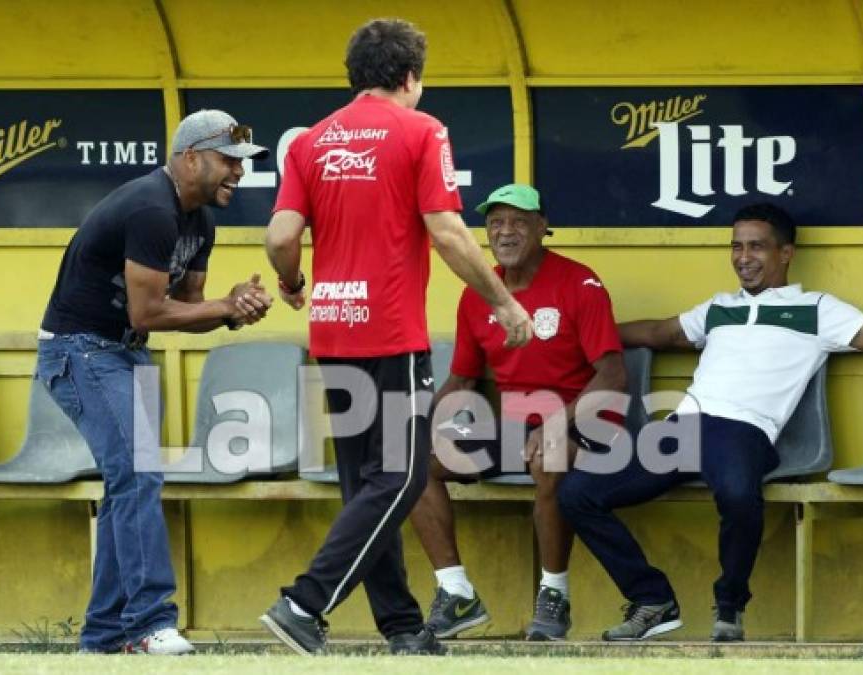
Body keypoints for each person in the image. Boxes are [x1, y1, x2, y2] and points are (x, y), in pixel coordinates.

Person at [557, 202, 863, 643]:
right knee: (577, 493)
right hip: (682, 425)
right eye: (737, 247)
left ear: (785, 254)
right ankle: (651, 599)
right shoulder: (717, 307)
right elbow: (660, 332)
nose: (743, 258)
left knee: (738, 496)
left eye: (756, 247)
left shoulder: (816, 309)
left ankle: (730, 604)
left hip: (744, 430)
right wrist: (582, 334)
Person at [261, 19, 532, 656]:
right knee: (403, 478)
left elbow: (279, 237)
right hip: (389, 330)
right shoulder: (422, 130)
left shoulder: (312, 140)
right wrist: (504, 302)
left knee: (366, 486)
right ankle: (304, 602)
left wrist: (293, 279)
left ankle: (402, 626)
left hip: (331, 329)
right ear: (410, 77)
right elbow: (446, 231)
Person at [36, 109, 273, 654]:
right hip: (81, 351)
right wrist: (224, 305)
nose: (238, 172)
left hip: (126, 355)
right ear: (190, 158)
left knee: (129, 486)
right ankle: (148, 623)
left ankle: (103, 635)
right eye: (227, 160)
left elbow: (187, 309)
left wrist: (234, 308)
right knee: (139, 475)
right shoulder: (151, 207)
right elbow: (148, 313)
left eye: (242, 162)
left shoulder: (201, 220)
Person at [408, 183, 626, 641]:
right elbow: (463, 379)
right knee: (414, 465)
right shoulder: (478, 293)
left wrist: (554, 421)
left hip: (583, 419)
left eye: (519, 222)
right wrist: (421, 427)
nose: (505, 232)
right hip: (514, 425)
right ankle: (456, 593)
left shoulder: (579, 283)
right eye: (495, 223)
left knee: (549, 455)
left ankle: (554, 595)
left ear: (543, 228)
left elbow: (611, 377)